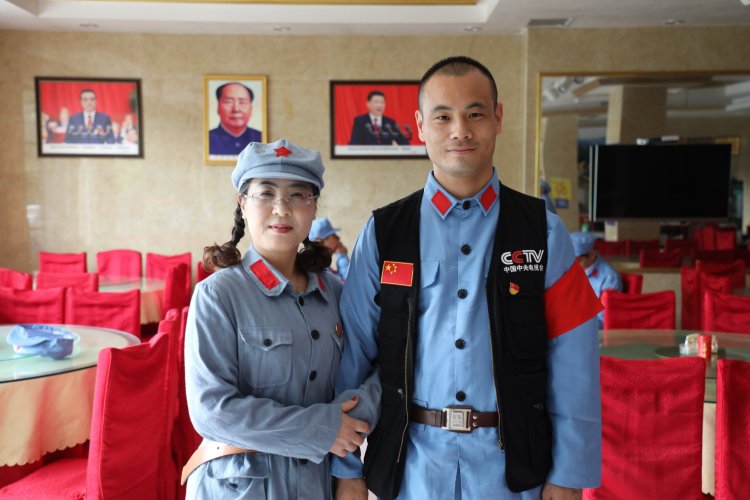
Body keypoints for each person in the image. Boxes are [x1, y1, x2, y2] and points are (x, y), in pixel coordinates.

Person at [332, 56, 603, 500]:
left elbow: (574, 361)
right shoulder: (384, 232)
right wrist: (346, 469)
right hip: (411, 469)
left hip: (514, 473)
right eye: (443, 117)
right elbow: (354, 356)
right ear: (421, 126)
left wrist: (568, 474)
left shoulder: (544, 231)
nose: (460, 130)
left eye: (475, 114)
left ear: (498, 119)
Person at [184, 139, 371, 498]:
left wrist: (350, 470)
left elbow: (367, 374)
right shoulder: (218, 296)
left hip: (317, 484)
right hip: (239, 487)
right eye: (265, 193)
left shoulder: (335, 293)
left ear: (314, 207)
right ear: (243, 203)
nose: (281, 208)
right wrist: (321, 430)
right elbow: (212, 411)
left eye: (298, 195)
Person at [570, 231, 623, 328]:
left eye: (577, 260)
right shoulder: (575, 270)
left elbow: (603, 319)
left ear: (592, 254)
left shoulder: (609, 278)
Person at [208, 82, 262, 156]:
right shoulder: (208, 138)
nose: (236, 109)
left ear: (251, 109)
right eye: (228, 102)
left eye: (242, 102)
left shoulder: (261, 138)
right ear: (218, 107)